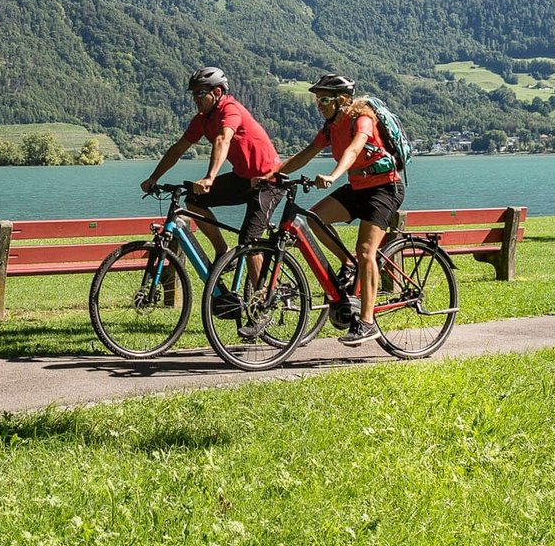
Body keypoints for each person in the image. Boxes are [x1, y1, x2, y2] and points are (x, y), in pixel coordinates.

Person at [258, 73, 405, 347]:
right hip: (358, 189)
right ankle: (349, 264)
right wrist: (273, 175)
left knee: (366, 251)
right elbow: (306, 153)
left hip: (385, 189)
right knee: (314, 218)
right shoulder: (329, 128)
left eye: (324, 99)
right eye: (317, 100)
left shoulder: (362, 119)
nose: (320, 105)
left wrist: (333, 175)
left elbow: (353, 150)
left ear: (343, 100)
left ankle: (367, 323)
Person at [140, 67, 283, 263]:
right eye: (193, 94)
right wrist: (154, 177)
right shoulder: (202, 120)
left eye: (200, 92)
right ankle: (223, 251)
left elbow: (223, 139)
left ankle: (261, 293)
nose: (195, 99)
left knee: (249, 242)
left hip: (269, 181)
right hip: (243, 178)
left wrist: (210, 177)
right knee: (194, 199)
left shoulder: (230, 109)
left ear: (217, 92)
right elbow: (178, 149)